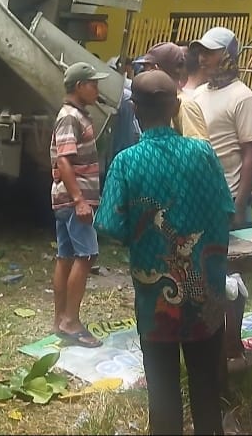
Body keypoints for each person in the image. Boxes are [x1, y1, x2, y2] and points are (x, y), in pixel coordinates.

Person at [96, 70, 233, 436]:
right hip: (206, 290)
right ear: (175, 106)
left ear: (135, 110)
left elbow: (109, 224)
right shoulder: (203, 152)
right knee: (206, 384)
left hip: (156, 295)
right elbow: (226, 208)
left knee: (162, 390)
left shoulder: (127, 161)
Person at [51, 62, 109, 348]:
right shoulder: (70, 117)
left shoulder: (75, 115)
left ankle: (60, 319)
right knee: (86, 255)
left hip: (67, 199)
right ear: (79, 86)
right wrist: (79, 200)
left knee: (66, 256)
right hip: (74, 200)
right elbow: (63, 159)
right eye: (92, 84)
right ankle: (71, 322)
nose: (97, 89)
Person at [193, 27, 252, 229]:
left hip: (229, 196)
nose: (202, 59)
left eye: (209, 53)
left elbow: (251, 153)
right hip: (200, 194)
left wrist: (239, 206)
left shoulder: (243, 97)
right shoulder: (196, 94)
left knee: (232, 258)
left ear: (227, 56)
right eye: (200, 53)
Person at [133, 42, 208, 139]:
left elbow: (200, 150)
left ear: (157, 69)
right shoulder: (161, 102)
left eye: (147, 68)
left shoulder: (184, 105)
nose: (144, 72)